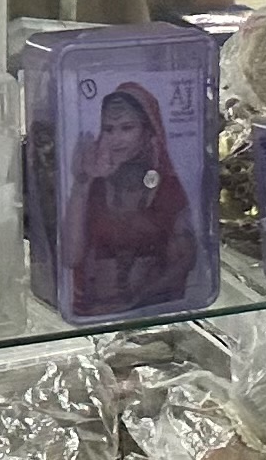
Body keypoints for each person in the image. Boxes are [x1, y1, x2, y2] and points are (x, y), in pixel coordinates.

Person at [72, 81, 204, 315]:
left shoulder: (168, 189)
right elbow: (71, 258)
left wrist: (137, 301)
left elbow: (185, 259)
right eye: (109, 129)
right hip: (94, 315)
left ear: (148, 131)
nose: (117, 139)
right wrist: (81, 183)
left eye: (127, 128)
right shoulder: (95, 186)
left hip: (152, 312)